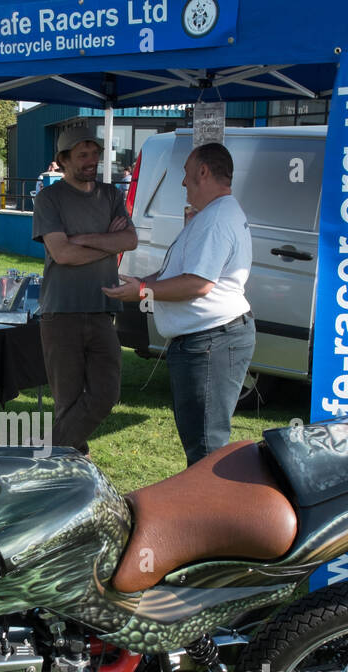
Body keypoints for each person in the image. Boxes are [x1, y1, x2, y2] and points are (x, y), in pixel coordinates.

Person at [104, 142, 254, 467]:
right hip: (207, 340)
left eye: (186, 174)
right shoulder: (212, 215)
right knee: (201, 442)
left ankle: (210, 514)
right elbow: (181, 272)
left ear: (203, 171)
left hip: (210, 341)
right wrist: (141, 282)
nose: (183, 182)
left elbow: (198, 283)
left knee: (206, 448)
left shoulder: (216, 220)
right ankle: (206, 509)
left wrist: (143, 290)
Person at [32, 128, 136, 455]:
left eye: (95, 154)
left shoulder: (110, 195)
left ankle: (44, 453)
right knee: (68, 400)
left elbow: (130, 241)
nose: (92, 162)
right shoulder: (49, 198)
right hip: (61, 312)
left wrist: (81, 238)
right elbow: (62, 254)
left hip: (103, 309)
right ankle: (72, 467)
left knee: (106, 393)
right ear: (63, 161)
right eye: (83, 156)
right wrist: (107, 240)